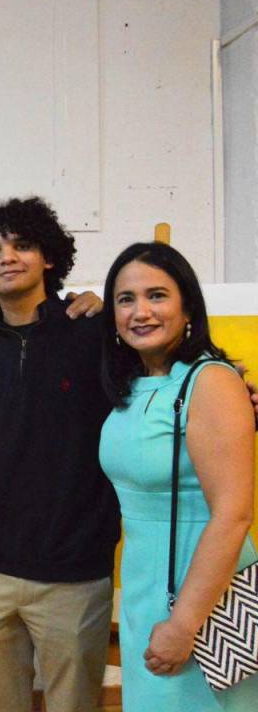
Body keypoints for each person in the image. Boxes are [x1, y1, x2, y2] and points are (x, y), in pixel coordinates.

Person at [0, 197, 118, 712]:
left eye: (21, 245)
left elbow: (164, 380)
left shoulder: (94, 332)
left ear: (48, 256)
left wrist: (236, 392)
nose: (6, 257)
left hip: (73, 572)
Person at [99, 242, 258, 709]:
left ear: (187, 304)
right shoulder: (133, 382)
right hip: (145, 592)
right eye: (125, 299)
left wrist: (184, 623)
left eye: (157, 295)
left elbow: (233, 514)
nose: (140, 311)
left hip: (203, 598)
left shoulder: (210, 381)